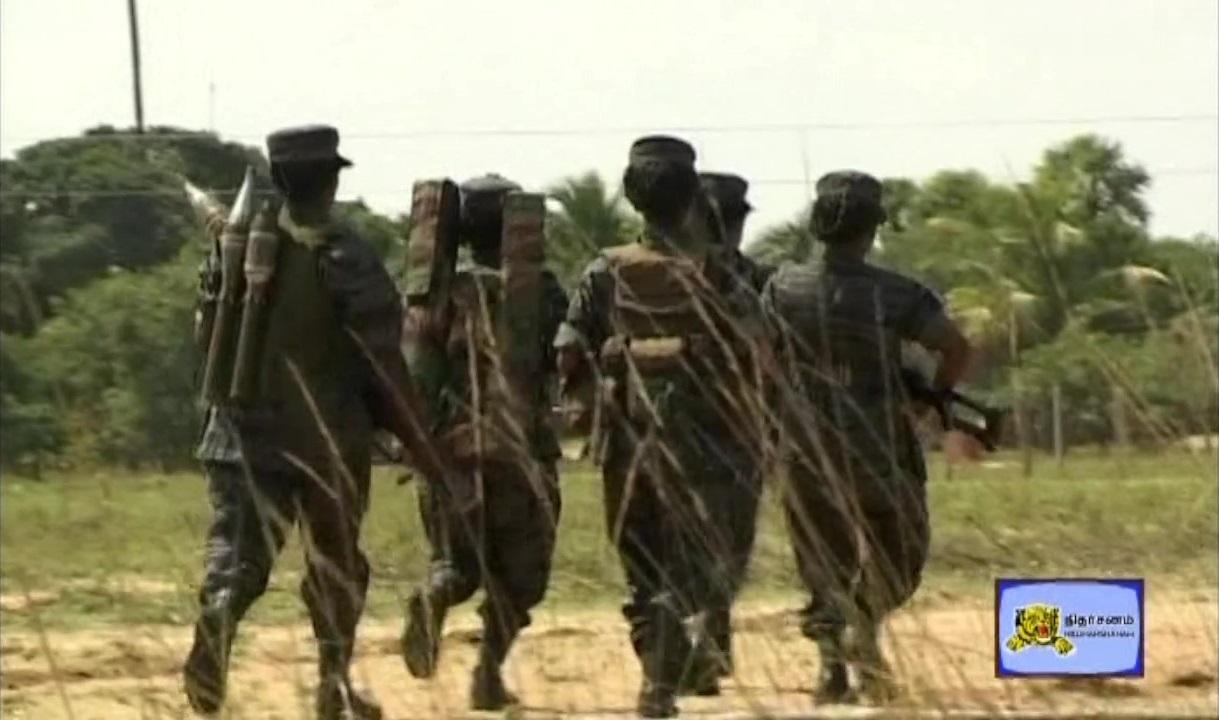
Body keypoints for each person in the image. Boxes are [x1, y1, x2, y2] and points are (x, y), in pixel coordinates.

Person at [184, 125, 447, 720]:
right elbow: (383, 361)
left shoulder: (236, 246)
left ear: (276, 180)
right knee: (337, 565)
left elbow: (207, 338)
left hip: (237, 432)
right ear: (331, 180)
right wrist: (419, 444)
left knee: (238, 554)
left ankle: (220, 612)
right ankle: (333, 687)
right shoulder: (344, 252)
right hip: (326, 439)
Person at [556, 136, 767, 717]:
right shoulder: (722, 273)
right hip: (712, 446)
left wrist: (592, 400)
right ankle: (659, 684)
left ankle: (660, 672)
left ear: (630, 198)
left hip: (627, 442)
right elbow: (762, 352)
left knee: (642, 570)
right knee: (694, 571)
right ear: (696, 199)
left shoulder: (605, 270)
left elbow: (569, 350)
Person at [761, 171, 972, 703]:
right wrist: (932, 399)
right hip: (880, 448)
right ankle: (864, 628)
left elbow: (758, 358)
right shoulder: (896, 293)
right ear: (872, 229)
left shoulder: (782, 287)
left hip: (803, 446)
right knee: (902, 552)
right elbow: (955, 348)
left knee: (821, 561)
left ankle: (832, 672)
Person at [400, 174, 568, 710]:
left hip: (449, 453)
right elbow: (561, 362)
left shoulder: (436, 290)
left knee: (454, 562)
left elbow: (414, 373)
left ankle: (437, 595)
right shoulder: (541, 291)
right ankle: (488, 672)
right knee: (522, 577)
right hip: (523, 456)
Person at [679, 171, 773, 685]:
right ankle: (705, 641)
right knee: (729, 548)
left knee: (690, 545)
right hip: (736, 436)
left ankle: (703, 645)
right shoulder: (759, 282)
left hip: (669, 433)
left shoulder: (652, 275)